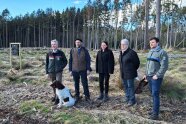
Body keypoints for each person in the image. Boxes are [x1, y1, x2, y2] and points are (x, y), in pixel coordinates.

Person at [144, 37, 168, 120]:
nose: (151, 44)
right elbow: (147, 65)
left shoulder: (162, 52)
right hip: (149, 77)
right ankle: (154, 110)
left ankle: (155, 114)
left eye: (153, 42)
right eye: (150, 42)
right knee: (152, 94)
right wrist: (145, 74)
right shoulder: (150, 52)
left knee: (155, 95)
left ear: (157, 43)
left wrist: (157, 75)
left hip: (156, 78)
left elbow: (164, 66)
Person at [46, 39, 67, 104]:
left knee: (58, 84)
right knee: (53, 85)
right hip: (51, 72)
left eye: (54, 44)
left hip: (58, 72)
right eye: (52, 44)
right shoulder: (49, 53)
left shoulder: (61, 53)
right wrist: (47, 72)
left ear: (57, 45)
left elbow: (65, 61)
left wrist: (61, 67)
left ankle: (58, 98)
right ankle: (55, 96)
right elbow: (47, 63)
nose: (53, 45)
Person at [119, 39, 140, 107]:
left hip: (130, 74)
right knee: (125, 86)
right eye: (121, 44)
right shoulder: (121, 52)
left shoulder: (132, 53)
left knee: (130, 87)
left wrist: (132, 70)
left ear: (127, 45)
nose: (122, 46)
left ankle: (132, 100)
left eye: (124, 44)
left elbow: (137, 63)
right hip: (123, 73)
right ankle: (127, 97)